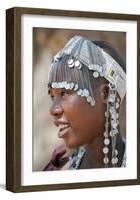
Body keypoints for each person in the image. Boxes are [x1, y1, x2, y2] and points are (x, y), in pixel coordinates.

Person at [43, 35, 126, 171]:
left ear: (106, 94)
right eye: (53, 97)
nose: (53, 110)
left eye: (64, 93)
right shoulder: (58, 171)